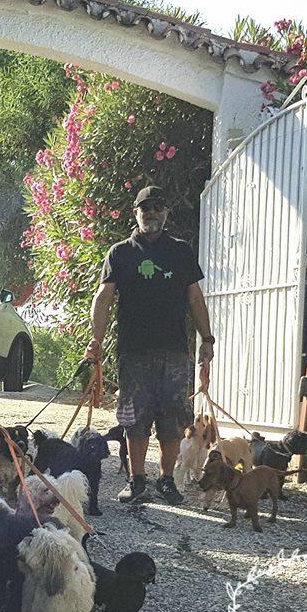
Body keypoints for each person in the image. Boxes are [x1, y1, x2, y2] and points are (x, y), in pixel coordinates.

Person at [85, 185, 214, 505]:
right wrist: (95, 339)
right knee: (134, 418)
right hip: (134, 352)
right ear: (136, 213)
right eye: (146, 208)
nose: (152, 213)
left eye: (158, 207)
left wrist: (207, 339)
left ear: (166, 213)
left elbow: (195, 297)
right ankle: (137, 480)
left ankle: (166, 480)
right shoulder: (120, 253)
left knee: (173, 420)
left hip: (174, 351)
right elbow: (103, 298)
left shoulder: (181, 251)